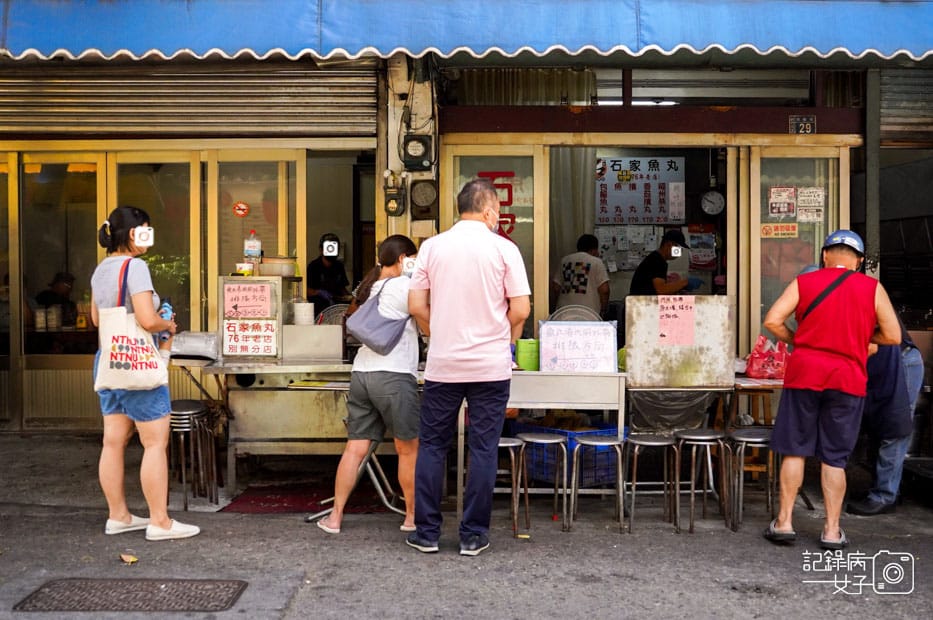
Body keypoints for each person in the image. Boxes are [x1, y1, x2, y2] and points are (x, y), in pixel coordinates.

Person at [407, 178, 531, 556]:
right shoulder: (504, 249)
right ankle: (473, 535)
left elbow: (416, 306)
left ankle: (427, 533)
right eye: (498, 212)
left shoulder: (432, 247)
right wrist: (502, 340)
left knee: (432, 446)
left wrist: (439, 333)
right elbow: (521, 309)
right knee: (483, 449)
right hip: (491, 368)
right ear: (489, 211)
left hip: (444, 365)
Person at [761, 229, 900, 550]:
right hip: (847, 379)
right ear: (859, 261)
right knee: (834, 458)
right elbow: (893, 335)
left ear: (825, 255)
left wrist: (800, 340)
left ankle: (784, 523)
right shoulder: (872, 288)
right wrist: (859, 339)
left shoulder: (804, 282)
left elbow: (772, 320)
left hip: (805, 374)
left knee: (795, 449)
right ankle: (832, 531)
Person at [90, 205, 200, 542]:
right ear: (131, 233)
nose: (148, 237)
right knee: (154, 443)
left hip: (109, 361)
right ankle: (159, 522)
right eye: (145, 231)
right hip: (137, 364)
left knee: (112, 442)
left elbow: (96, 320)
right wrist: (167, 324)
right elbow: (147, 319)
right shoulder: (135, 267)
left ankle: (119, 516)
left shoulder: (101, 269)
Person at [316, 234, 421, 535]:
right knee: (407, 449)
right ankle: (412, 517)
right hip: (394, 374)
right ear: (402, 259)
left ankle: (335, 517)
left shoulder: (372, 286)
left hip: (362, 373)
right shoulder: (403, 286)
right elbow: (426, 318)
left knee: (355, 448)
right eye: (413, 259)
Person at [846, 319, 924, 516]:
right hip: (878, 366)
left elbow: (870, 346)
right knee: (877, 427)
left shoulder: (867, 303)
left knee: (893, 429)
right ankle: (885, 488)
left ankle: (885, 496)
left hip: (901, 362)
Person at [551, 233, 610, 318]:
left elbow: (556, 287)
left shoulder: (564, 261)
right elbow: (604, 290)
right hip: (589, 315)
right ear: (594, 249)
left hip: (564, 314)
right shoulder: (596, 262)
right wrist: (603, 310)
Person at [629, 229, 702, 295]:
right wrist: (685, 282)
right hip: (640, 303)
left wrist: (678, 285)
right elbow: (661, 290)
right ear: (668, 244)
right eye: (678, 247)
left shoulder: (657, 258)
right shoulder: (657, 261)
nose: (680, 251)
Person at [307, 232, 351, 311]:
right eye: (328, 247)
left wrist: (350, 298)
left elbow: (342, 288)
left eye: (334, 248)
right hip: (318, 309)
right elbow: (306, 290)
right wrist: (318, 292)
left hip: (336, 308)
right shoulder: (313, 266)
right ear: (321, 250)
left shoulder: (339, 266)